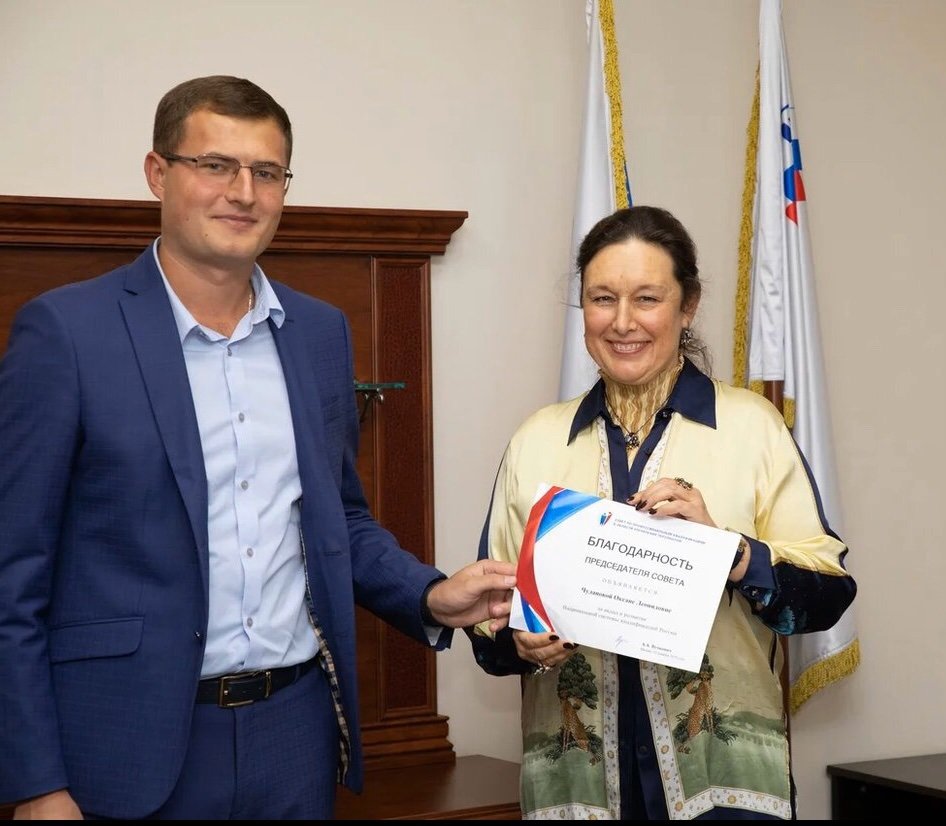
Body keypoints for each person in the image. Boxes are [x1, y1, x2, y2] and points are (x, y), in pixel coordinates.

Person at [0, 75, 517, 821]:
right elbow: (13, 573)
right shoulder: (67, 333)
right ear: (157, 173)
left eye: (267, 172)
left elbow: (338, 520)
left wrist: (432, 595)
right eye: (216, 165)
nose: (243, 192)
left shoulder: (319, 333)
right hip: (126, 749)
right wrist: (36, 783)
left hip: (294, 738)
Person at [469, 205, 856, 820]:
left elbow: (828, 594)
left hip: (724, 791)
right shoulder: (536, 441)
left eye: (647, 298)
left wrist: (729, 553)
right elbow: (489, 620)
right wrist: (518, 639)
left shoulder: (751, 428)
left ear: (688, 305)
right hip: (577, 793)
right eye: (602, 299)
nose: (623, 322)